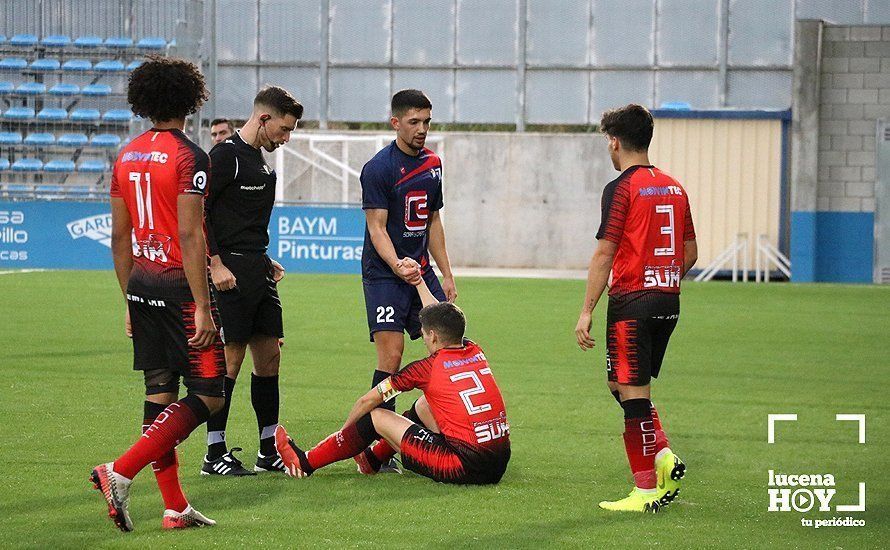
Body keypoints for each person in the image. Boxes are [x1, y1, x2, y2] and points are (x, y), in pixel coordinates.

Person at [91, 56, 223, 531]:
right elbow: (191, 237)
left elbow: (118, 238)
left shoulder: (126, 155)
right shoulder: (191, 156)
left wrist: (130, 299)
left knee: (160, 393)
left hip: (142, 285)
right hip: (180, 292)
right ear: (189, 98)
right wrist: (203, 305)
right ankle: (120, 470)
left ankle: (175, 507)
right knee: (210, 396)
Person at [274, 267, 510, 485]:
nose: (424, 339)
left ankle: (304, 462)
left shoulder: (425, 369)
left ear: (434, 337)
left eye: (425, 335)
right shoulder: (475, 350)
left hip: (461, 467)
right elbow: (439, 315)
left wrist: (345, 437)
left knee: (376, 416)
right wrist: (418, 282)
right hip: (497, 464)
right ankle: (373, 459)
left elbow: (368, 401)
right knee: (424, 405)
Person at [574, 104, 697, 513]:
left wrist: (587, 309)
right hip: (668, 300)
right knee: (622, 385)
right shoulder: (675, 187)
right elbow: (691, 253)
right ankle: (662, 454)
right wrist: (662, 276)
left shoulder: (621, 188)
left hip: (631, 301)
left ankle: (645, 490)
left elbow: (604, 252)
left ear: (614, 141)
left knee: (633, 391)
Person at [201, 86, 302, 476]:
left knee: (270, 358)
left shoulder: (263, 165)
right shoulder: (225, 157)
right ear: (263, 118)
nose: (286, 137)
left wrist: (264, 258)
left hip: (257, 270)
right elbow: (201, 214)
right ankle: (214, 453)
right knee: (231, 359)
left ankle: (267, 449)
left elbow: (247, 224)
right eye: (284, 129)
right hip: (229, 275)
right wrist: (215, 263)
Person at [360, 90, 457, 472]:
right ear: (395, 122)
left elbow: (433, 222)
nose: (422, 130)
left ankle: (442, 428)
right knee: (392, 356)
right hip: (385, 274)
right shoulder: (379, 168)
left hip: (421, 272)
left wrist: (446, 272)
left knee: (447, 350)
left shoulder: (433, 163)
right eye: (414, 122)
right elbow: (376, 228)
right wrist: (397, 263)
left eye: (427, 122)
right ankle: (378, 445)